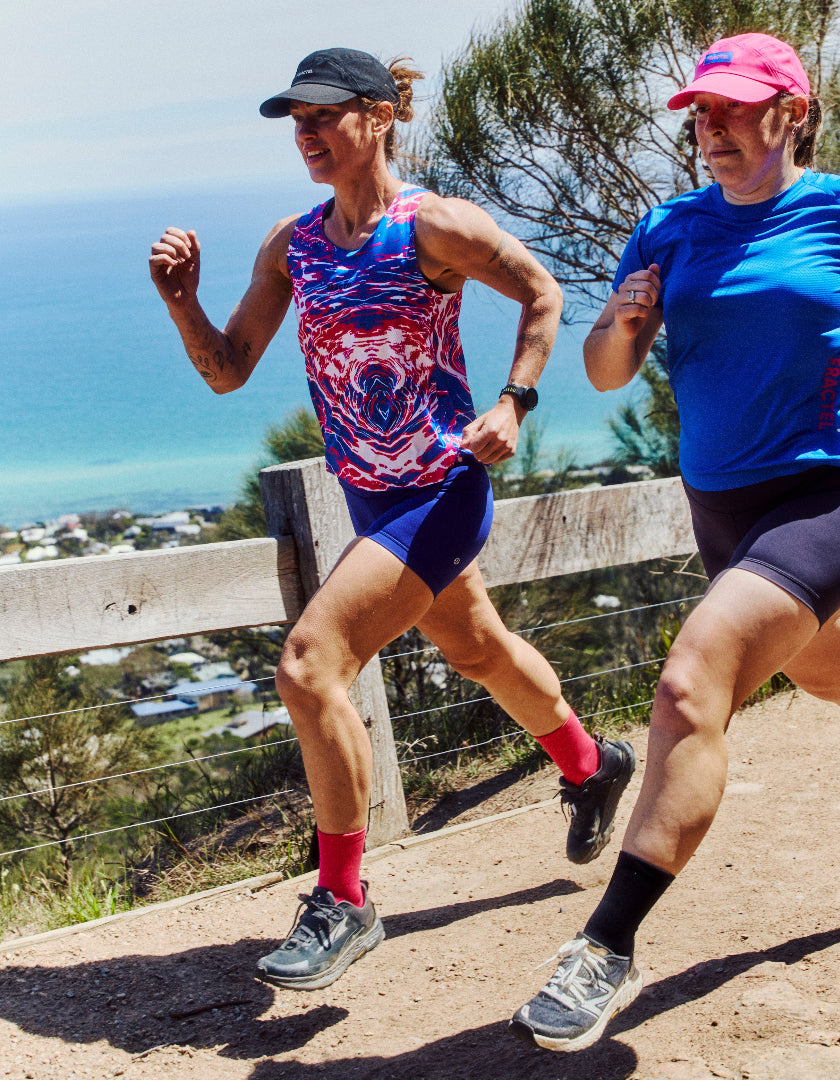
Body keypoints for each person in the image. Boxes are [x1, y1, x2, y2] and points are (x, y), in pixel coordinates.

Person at [510, 32, 840, 1052]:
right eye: (701, 111)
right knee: (836, 671)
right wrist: (626, 322)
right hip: (722, 504)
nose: (711, 126)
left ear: (792, 113)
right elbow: (604, 371)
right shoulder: (668, 226)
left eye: (732, 107)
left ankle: (606, 946)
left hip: (830, 491)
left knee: (692, 685)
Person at [149, 48, 635, 993]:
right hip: (370, 496)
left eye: (324, 116)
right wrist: (182, 305)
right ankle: (591, 764)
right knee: (478, 648)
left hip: (440, 490)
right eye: (296, 122)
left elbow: (543, 293)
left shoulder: (433, 228)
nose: (307, 135)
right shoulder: (293, 245)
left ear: (380, 116)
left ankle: (344, 900)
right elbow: (227, 368)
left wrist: (515, 402)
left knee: (310, 663)